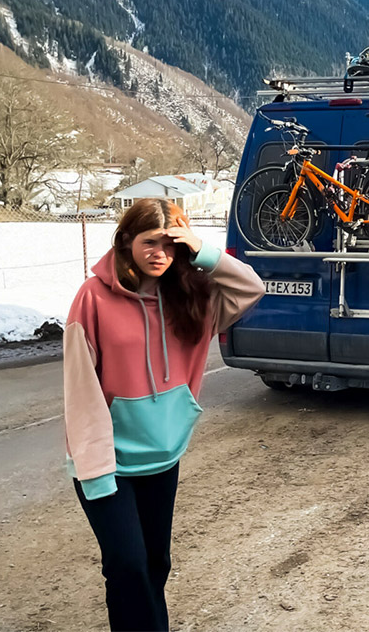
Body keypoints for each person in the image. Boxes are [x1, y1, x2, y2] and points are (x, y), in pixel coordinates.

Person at [63, 198, 264, 631]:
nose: (161, 254)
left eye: (171, 245)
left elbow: (251, 288)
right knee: (128, 564)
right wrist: (94, 470)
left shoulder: (192, 294)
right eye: (150, 242)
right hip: (107, 463)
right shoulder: (93, 298)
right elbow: (81, 392)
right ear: (125, 242)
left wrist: (203, 250)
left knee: (155, 563)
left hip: (162, 457)